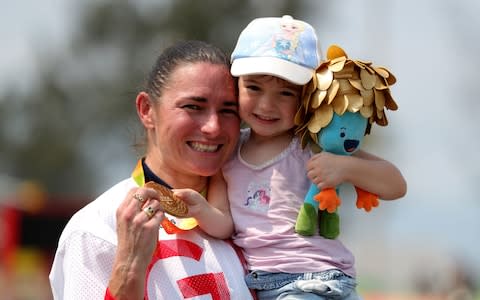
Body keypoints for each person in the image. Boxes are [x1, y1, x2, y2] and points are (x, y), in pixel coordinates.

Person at [175, 16, 407, 299]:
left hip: (325, 278)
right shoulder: (229, 152)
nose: (266, 105)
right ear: (235, 85)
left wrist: (346, 167)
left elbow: (395, 185)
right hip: (273, 285)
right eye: (254, 87)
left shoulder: (311, 143)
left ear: (310, 97)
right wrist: (199, 208)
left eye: (286, 93)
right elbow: (224, 223)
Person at [48, 40, 256, 300]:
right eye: (193, 107)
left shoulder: (257, 210)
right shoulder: (97, 228)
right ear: (147, 110)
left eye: (229, 110)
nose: (213, 127)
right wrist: (129, 268)